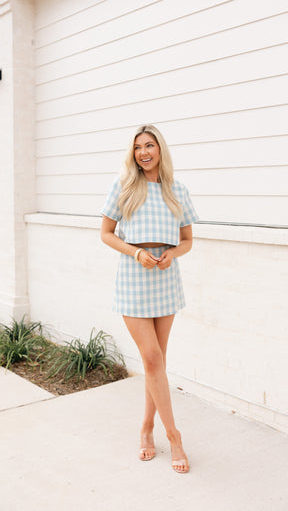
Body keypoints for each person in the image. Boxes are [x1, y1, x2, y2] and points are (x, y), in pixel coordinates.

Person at [100, 124, 198, 474]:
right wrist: (135, 253)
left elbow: (187, 241)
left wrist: (174, 253)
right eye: (138, 147)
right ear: (133, 153)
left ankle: (146, 428)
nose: (143, 152)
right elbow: (106, 234)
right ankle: (174, 436)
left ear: (160, 149)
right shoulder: (124, 187)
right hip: (133, 277)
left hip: (166, 279)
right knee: (153, 359)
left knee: (154, 364)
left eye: (149, 145)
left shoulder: (177, 191)